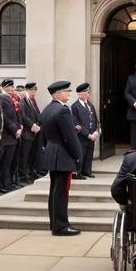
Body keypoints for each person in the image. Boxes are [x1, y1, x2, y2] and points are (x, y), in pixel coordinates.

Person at [42, 80, 82, 236]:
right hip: (63, 154)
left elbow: (45, 136)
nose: (69, 94)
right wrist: (78, 156)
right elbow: (71, 137)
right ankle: (61, 226)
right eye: (66, 91)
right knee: (61, 192)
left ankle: (55, 223)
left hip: (53, 152)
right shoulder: (63, 110)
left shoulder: (47, 109)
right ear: (57, 94)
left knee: (55, 191)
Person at [72, 83, 100, 180]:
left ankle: (87, 171)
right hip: (82, 136)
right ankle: (78, 172)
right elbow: (77, 123)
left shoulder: (90, 105)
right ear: (80, 94)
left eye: (88, 93)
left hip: (92, 135)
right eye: (86, 93)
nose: (88, 95)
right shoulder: (75, 106)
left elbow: (95, 119)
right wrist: (88, 135)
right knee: (81, 154)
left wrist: (97, 131)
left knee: (89, 154)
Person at [0, 80, 22, 193]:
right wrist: (15, 129)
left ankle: (11, 182)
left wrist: (20, 125)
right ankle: (5, 184)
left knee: (13, 161)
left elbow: (18, 114)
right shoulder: (2, 98)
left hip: (16, 135)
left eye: (12, 87)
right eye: (7, 87)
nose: (10, 89)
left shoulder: (14, 98)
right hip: (8, 136)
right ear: (3, 88)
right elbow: (5, 118)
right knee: (6, 163)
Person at [19, 83, 41, 185]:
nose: (34, 93)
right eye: (32, 91)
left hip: (34, 133)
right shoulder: (23, 101)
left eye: (35, 91)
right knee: (25, 157)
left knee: (32, 156)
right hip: (27, 133)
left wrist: (38, 125)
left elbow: (37, 114)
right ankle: (24, 176)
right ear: (26, 90)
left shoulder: (33, 101)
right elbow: (23, 116)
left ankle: (31, 173)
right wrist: (32, 125)